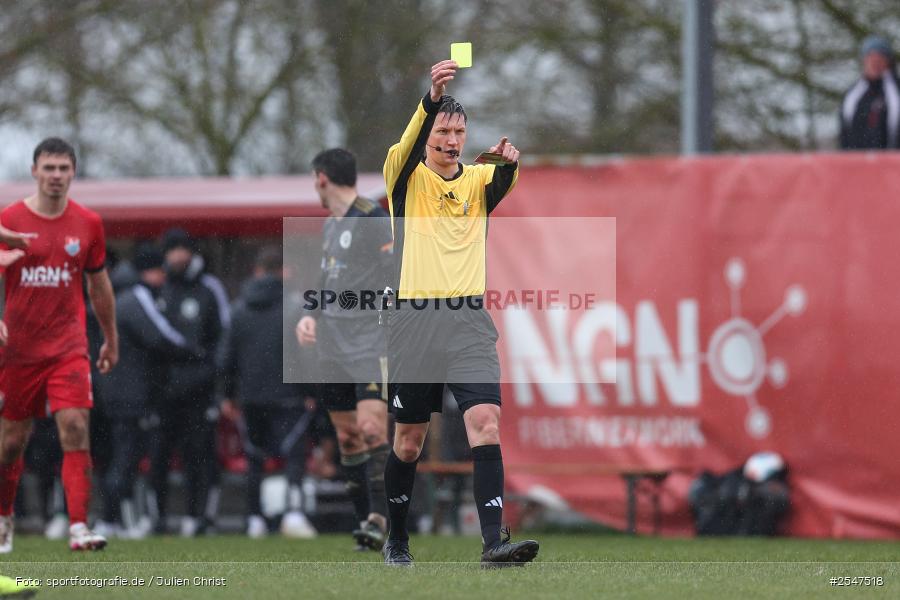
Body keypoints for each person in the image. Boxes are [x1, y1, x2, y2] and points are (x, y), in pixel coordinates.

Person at [380, 60, 538, 567]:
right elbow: (407, 145)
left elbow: (505, 174)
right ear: (428, 135)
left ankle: (494, 542)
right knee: (409, 442)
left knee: (485, 424)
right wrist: (430, 99)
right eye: (443, 131)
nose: (451, 139)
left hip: (469, 321)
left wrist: (509, 159)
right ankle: (398, 539)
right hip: (414, 322)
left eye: (458, 131)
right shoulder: (405, 178)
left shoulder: (477, 183)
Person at [0, 137, 118, 552]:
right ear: (34, 171)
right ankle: (3, 519)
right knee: (11, 442)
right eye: (48, 168)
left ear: (74, 172)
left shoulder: (88, 224)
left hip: (68, 346)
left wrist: (110, 338)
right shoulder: (9, 218)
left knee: (74, 424)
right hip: (17, 351)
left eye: (63, 169)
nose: (55, 176)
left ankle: (79, 526)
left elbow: (98, 283)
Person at [296, 148, 392, 551]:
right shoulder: (331, 227)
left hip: (370, 343)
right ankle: (365, 526)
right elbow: (325, 278)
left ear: (321, 178)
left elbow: (394, 275)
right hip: (332, 347)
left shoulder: (373, 216)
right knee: (348, 437)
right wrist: (311, 315)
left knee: (372, 429)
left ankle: (383, 518)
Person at [96, 243, 201, 539]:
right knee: (126, 458)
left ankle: (113, 519)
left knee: (120, 457)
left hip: (116, 390)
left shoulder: (122, 298)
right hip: (130, 393)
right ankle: (115, 520)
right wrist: (194, 352)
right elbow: (160, 337)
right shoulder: (136, 299)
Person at [221, 246, 316, 539]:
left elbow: (227, 355)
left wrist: (227, 395)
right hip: (289, 394)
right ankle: (294, 513)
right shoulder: (296, 305)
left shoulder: (238, 308)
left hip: (250, 395)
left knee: (254, 458)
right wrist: (311, 390)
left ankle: (254, 519)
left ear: (257, 270)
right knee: (294, 456)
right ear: (282, 271)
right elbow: (306, 352)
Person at [149, 228, 230, 536]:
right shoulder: (158, 288)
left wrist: (214, 382)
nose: (178, 256)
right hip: (164, 393)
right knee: (159, 458)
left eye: (183, 249)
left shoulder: (209, 289)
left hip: (199, 393)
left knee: (199, 457)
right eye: (172, 250)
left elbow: (223, 337)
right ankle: (159, 518)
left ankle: (199, 518)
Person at [840, 35, 900, 150]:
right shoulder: (852, 95)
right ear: (864, 60)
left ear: (888, 61)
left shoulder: (896, 92)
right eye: (870, 57)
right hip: (858, 163)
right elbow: (844, 132)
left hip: (892, 163)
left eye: (880, 57)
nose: (875, 62)